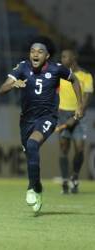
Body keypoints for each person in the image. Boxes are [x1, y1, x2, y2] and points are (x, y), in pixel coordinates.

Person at [0, 37, 83, 214]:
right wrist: (14, 84)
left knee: (32, 144)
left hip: (48, 117)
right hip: (26, 120)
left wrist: (79, 105)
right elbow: (2, 89)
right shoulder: (22, 67)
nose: (35, 54)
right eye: (32, 51)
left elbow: (75, 80)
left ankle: (32, 188)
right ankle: (37, 186)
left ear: (47, 56)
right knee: (30, 153)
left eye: (40, 51)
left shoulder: (56, 68)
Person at [56, 48, 94, 194]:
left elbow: (86, 100)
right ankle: (65, 180)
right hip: (62, 114)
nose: (62, 59)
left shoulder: (86, 76)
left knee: (79, 148)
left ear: (74, 57)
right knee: (64, 148)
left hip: (79, 115)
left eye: (65, 56)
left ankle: (74, 177)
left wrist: (76, 116)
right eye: (62, 56)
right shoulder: (60, 75)